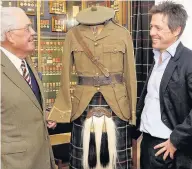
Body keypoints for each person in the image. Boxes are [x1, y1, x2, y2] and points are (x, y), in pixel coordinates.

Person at [49, 6, 137, 169]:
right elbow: (65, 75)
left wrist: (132, 112)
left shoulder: (122, 33)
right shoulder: (73, 34)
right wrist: (60, 111)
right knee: (81, 160)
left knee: (117, 161)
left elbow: (131, 75)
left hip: (117, 104)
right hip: (83, 103)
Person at [136, 1, 192, 169]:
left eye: (158, 28)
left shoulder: (188, 61)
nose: (152, 32)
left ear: (176, 30)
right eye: (151, 26)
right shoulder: (158, 57)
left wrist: (175, 141)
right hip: (147, 143)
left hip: (168, 149)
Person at [1, 7, 56, 169]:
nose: (34, 32)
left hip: (42, 157)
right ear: (10, 35)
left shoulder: (26, 61)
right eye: (27, 28)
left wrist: (42, 113)